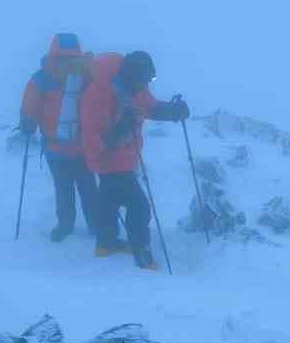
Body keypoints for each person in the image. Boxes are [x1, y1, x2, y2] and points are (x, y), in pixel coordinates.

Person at [80, 50, 190, 270]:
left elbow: (150, 107)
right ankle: (140, 249)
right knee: (138, 205)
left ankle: (106, 243)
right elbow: (95, 140)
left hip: (125, 158)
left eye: (150, 80)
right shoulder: (97, 95)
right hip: (109, 161)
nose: (146, 85)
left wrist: (172, 111)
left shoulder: (135, 86)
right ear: (131, 75)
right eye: (145, 80)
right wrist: (120, 129)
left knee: (108, 202)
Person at [19, 33, 98, 242]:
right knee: (67, 190)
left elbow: (99, 100)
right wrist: (27, 121)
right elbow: (30, 105)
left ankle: (93, 225)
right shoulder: (42, 79)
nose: (67, 62)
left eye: (71, 58)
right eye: (63, 58)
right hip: (59, 150)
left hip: (81, 148)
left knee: (87, 189)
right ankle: (67, 225)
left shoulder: (86, 75)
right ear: (54, 56)